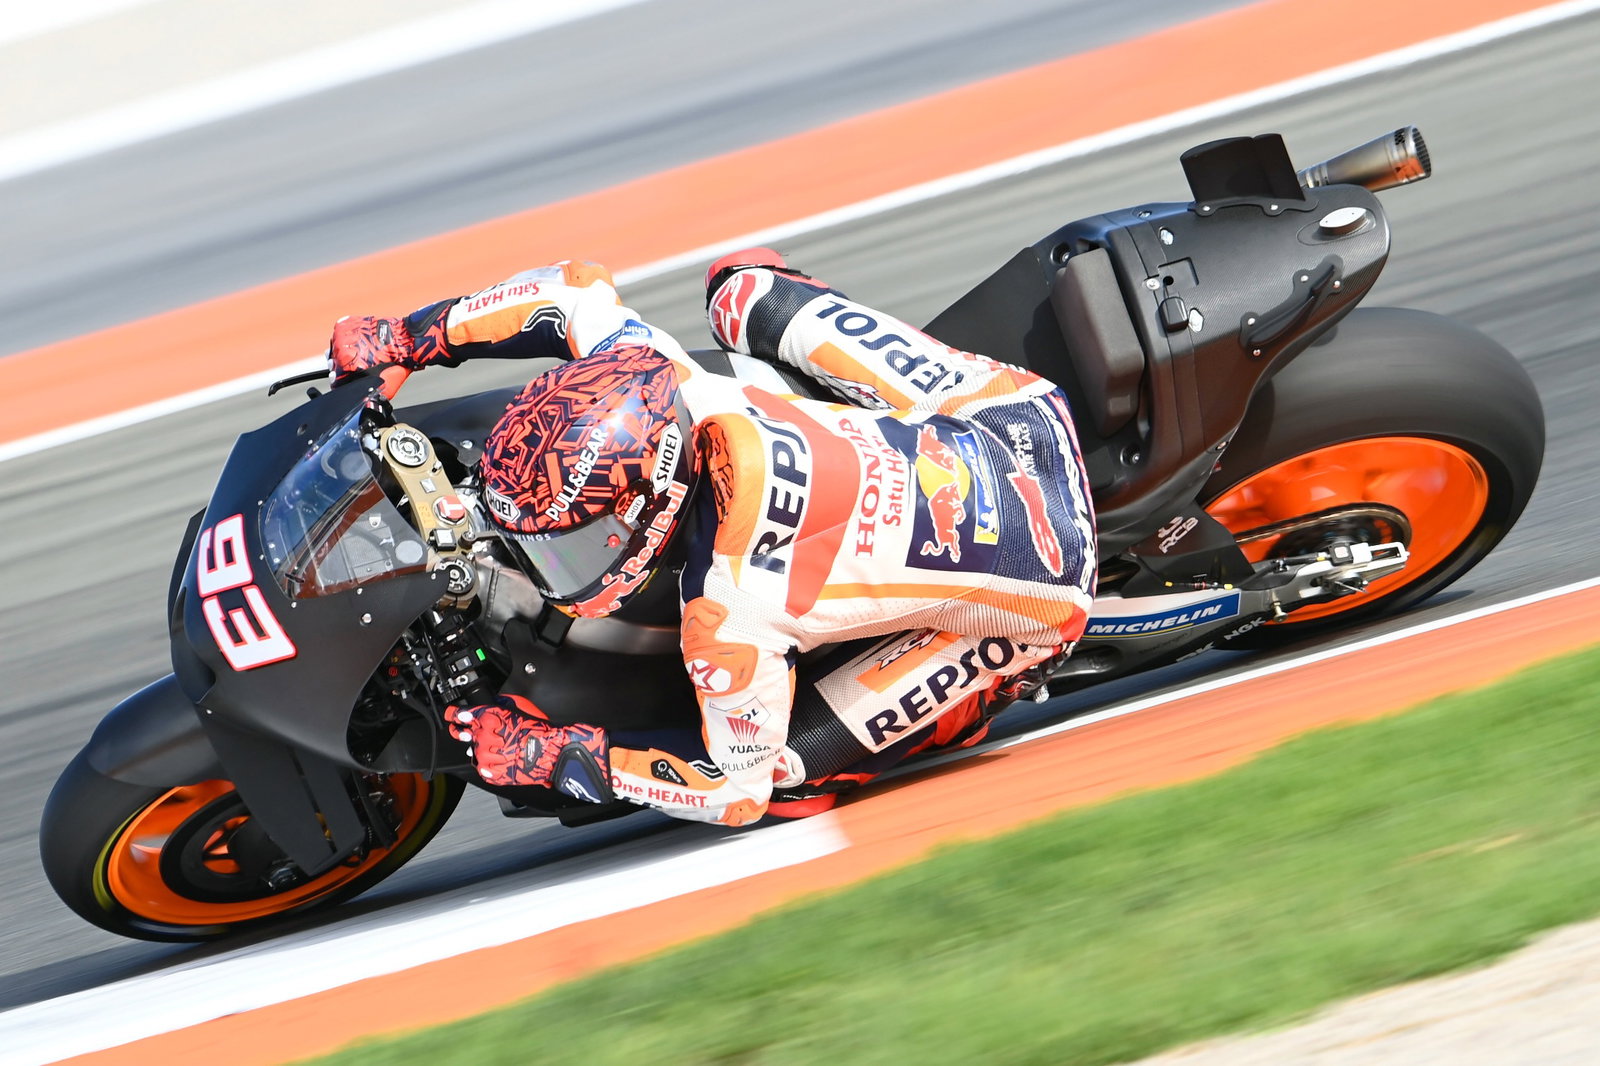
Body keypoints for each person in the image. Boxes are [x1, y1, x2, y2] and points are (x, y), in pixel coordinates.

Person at [327, 250, 1096, 826]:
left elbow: (732, 791)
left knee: (789, 777)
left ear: (654, 501)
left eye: (576, 543)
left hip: (1047, 581)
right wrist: (403, 339)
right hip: (1010, 414)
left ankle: (986, 692)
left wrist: (559, 756)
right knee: (740, 286)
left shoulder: (730, 609)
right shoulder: (653, 370)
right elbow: (568, 291)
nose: (556, 565)